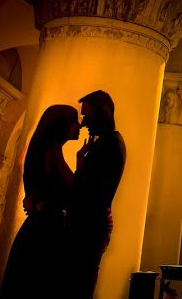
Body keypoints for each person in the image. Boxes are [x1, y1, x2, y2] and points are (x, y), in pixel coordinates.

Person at [0, 105, 81, 299]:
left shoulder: (49, 152)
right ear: (62, 126)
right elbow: (72, 191)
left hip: (41, 232)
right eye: (74, 121)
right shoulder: (51, 154)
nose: (79, 125)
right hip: (46, 235)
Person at [66, 90, 126, 299]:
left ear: (102, 114)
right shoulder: (109, 143)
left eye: (87, 116)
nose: (83, 123)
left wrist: (80, 165)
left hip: (87, 228)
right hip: (92, 226)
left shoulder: (108, 146)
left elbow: (88, 192)